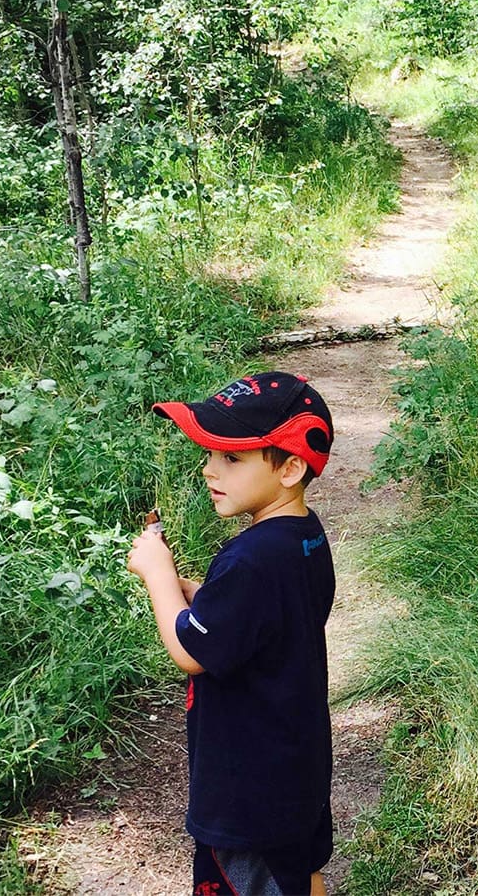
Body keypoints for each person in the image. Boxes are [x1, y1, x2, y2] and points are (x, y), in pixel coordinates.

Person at [127, 371, 336, 896]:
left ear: (290, 468)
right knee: (296, 875)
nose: (209, 469)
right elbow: (267, 618)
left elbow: (191, 652)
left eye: (232, 458)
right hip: (294, 766)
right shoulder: (304, 539)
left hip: (248, 789)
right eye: (211, 454)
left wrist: (157, 574)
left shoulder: (250, 559)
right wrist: (196, 590)